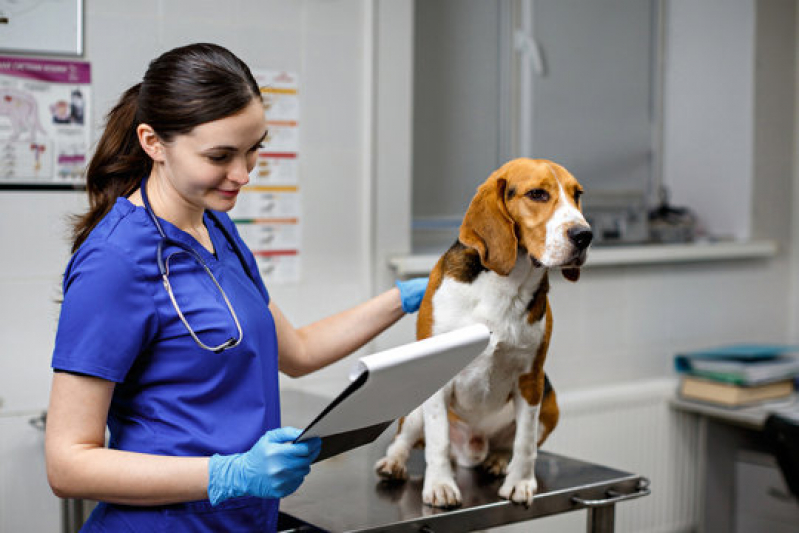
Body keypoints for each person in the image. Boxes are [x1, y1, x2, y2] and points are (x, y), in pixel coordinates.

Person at [45, 43, 428, 532]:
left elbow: (298, 351)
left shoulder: (217, 228)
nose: (243, 175)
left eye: (254, 150)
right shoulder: (114, 262)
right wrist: (230, 473)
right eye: (220, 156)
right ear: (153, 142)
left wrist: (404, 297)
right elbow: (67, 462)